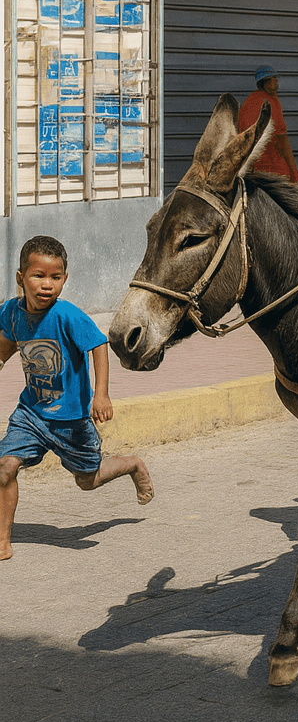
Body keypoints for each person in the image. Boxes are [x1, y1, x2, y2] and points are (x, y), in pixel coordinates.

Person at [0, 236, 154, 561]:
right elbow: (7, 344)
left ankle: (132, 464)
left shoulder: (68, 315)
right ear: (20, 278)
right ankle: (2, 541)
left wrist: (101, 394)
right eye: (38, 276)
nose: (47, 285)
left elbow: (98, 346)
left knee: (88, 481)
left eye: (55, 278)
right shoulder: (11, 313)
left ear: (64, 279)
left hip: (71, 421)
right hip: (31, 413)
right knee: (5, 467)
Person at [237, 64, 298, 183]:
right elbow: (281, 137)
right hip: (267, 161)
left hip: (253, 162)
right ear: (263, 83)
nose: (276, 81)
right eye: (271, 79)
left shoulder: (257, 99)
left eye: (276, 78)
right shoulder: (264, 101)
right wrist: (295, 174)